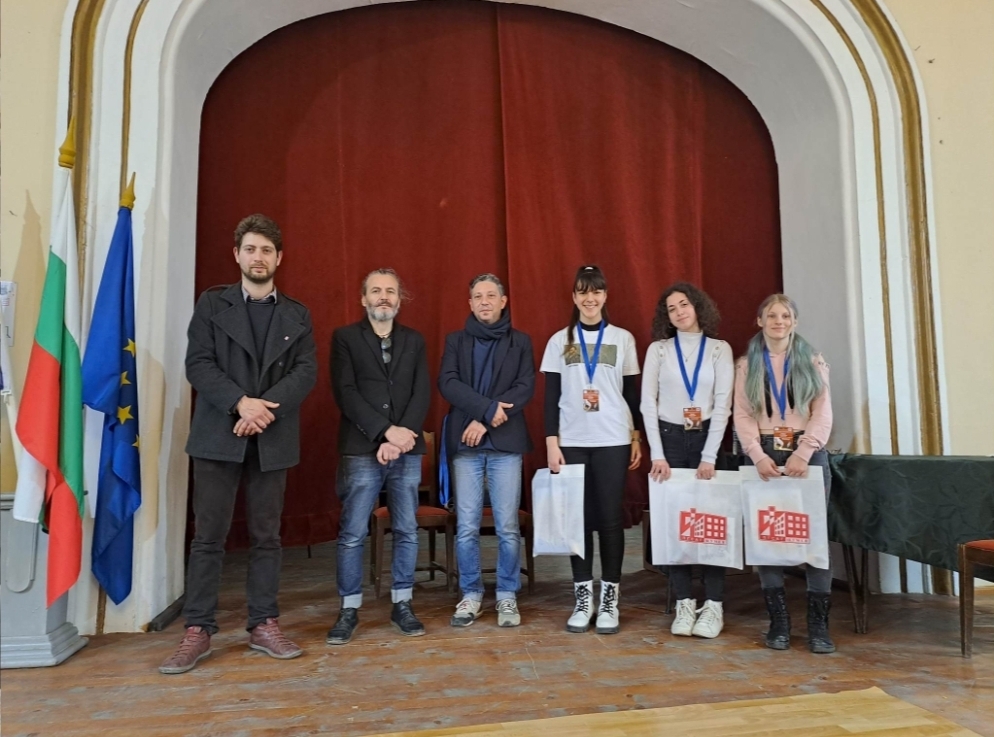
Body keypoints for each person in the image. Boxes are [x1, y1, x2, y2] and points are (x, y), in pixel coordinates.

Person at [160, 214, 317, 674]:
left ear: (279, 258)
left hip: (272, 435)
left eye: (266, 250)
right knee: (208, 536)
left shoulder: (298, 313)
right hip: (218, 435)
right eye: (250, 249)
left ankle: (263, 624)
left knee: (268, 536)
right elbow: (198, 363)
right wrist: (240, 403)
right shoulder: (212, 304)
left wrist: (263, 410)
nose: (258, 257)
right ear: (237, 254)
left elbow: (305, 371)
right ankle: (198, 629)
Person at [327, 268, 431, 644]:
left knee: (406, 529)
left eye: (390, 291)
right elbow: (346, 392)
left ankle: (402, 603)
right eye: (376, 291)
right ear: (364, 298)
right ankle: (349, 608)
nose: (383, 296)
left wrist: (401, 438)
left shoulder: (415, 340)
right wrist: (385, 432)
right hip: (361, 448)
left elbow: (422, 392)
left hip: (406, 449)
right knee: (353, 532)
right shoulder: (345, 338)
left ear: (399, 300)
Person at [540, 265, 642, 635]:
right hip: (572, 441)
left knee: (611, 519)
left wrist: (635, 437)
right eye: (583, 291)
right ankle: (583, 598)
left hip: (613, 439)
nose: (590, 298)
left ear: (605, 295)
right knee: (578, 522)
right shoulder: (558, 341)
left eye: (596, 291)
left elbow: (631, 394)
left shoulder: (622, 339)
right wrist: (552, 442)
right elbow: (550, 397)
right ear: (574, 297)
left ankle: (610, 598)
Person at [733, 293, 835, 654]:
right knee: (768, 537)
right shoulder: (746, 365)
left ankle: (818, 627)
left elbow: (823, 411)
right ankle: (778, 623)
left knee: (815, 539)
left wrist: (805, 451)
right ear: (760, 321)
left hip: (806, 452)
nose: (779, 322)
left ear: (795, 322)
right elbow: (742, 413)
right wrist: (757, 455)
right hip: (763, 453)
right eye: (772, 316)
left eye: (786, 316)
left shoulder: (812, 360)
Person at [439, 274, 536, 628]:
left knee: (507, 526)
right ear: (470, 303)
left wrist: (485, 420)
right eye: (477, 296)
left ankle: (507, 594)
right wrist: (485, 410)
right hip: (466, 446)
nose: (484, 301)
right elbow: (448, 383)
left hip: (505, 445)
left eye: (490, 295)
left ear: (503, 301)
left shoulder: (520, 342)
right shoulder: (456, 341)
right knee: (466, 526)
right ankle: (471, 593)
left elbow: (525, 387)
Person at [640, 282, 734, 639]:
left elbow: (723, 405)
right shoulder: (659, 350)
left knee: (711, 523)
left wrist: (709, 456)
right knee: (674, 523)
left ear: (697, 307)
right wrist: (658, 454)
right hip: (669, 439)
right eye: (671, 308)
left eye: (684, 304)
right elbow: (648, 403)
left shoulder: (719, 349)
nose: (679, 312)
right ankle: (683, 602)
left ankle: (713, 605)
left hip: (706, 438)